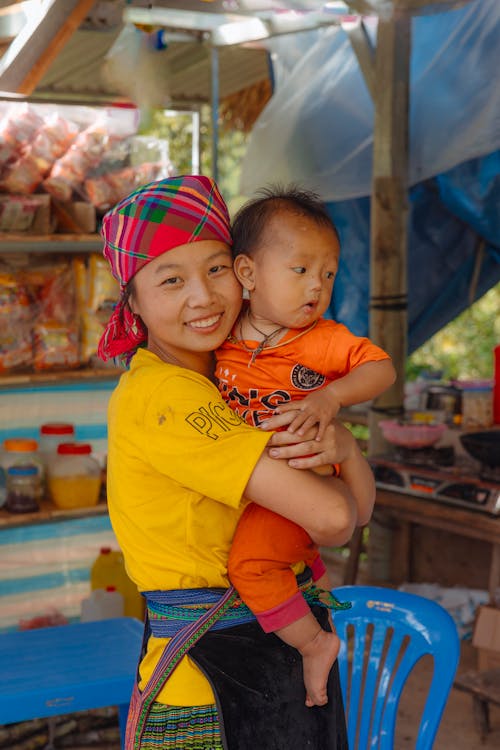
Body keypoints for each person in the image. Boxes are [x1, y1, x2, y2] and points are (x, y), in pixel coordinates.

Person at [97, 175, 375, 750]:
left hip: (275, 656)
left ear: (245, 271)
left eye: (216, 269)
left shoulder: (232, 378)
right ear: (134, 301)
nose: (203, 297)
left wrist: (343, 446)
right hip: (206, 689)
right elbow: (334, 519)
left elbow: (350, 514)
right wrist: (342, 457)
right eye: (171, 280)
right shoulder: (167, 397)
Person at [216, 185, 396, 708]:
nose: (317, 286)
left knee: (249, 564)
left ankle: (316, 644)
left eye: (329, 273)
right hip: (261, 487)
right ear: (247, 274)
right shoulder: (225, 335)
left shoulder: (320, 339)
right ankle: (309, 578)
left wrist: (330, 396)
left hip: (303, 485)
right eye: (300, 270)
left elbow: (381, 367)